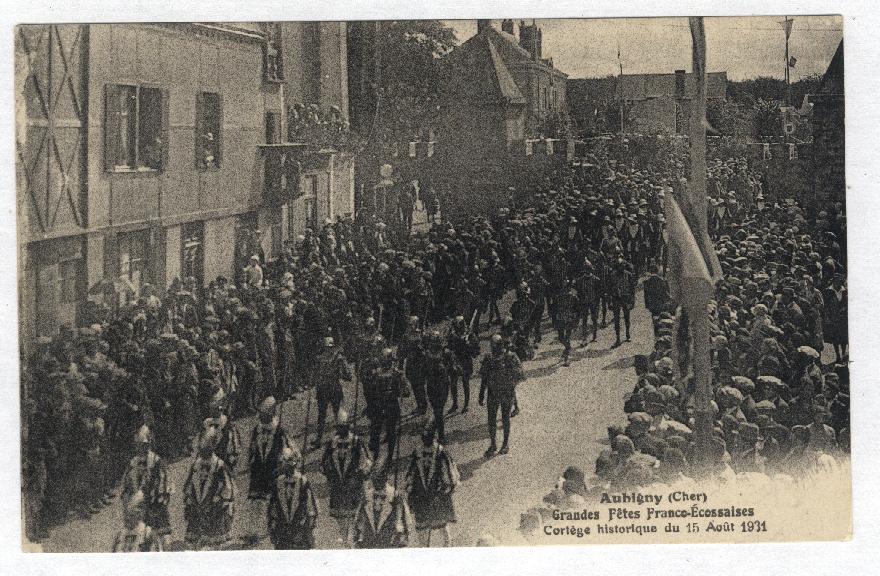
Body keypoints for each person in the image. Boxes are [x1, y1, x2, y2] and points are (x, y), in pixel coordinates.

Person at [321, 410, 372, 544]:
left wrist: (362, 471)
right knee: (341, 513)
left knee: (355, 511)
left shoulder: (356, 441)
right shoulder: (332, 442)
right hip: (338, 482)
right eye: (339, 427)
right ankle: (343, 534)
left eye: (343, 427)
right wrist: (328, 471)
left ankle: (353, 534)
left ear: (348, 427)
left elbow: (365, 460)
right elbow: (324, 461)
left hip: (353, 482)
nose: (341, 430)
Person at [405, 428, 460, 547]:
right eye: (424, 437)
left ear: (433, 437)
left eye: (428, 437)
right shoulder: (417, 452)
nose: (426, 439)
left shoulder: (440, 452)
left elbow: (449, 473)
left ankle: (447, 546)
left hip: (436, 494)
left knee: (441, 524)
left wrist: (446, 487)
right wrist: (410, 487)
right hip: (421, 495)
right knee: (423, 527)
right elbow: (411, 472)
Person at [119, 425, 172, 546]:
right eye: (139, 445)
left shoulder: (156, 461)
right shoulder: (133, 462)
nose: (141, 448)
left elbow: (163, 486)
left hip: (155, 510)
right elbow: (126, 486)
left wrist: (150, 499)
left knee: (164, 542)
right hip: (137, 513)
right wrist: (128, 501)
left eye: (144, 445)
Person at [183, 429, 235, 550]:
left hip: (214, 510)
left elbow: (228, 488)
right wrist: (189, 500)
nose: (204, 448)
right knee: (195, 545)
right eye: (202, 446)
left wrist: (221, 502)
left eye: (207, 446)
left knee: (214, 545)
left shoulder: (219, 465)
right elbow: (189, 484)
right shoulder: (196, 464)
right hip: (197, 509)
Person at [479, 335, 524, 456]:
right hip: (493, 393)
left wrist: (510, 384)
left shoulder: (510, 357)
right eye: (493, 346)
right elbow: (484, 377)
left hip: (506, 393)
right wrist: (481, 393)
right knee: (491, 420)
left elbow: (520, 374)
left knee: (505, 418)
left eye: (497, 346)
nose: (495, 349)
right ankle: (493, 444)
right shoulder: (488, 358)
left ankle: (505, 443)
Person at [267, 447, 318, 550]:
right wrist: (272, 526)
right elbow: (273, 506)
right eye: (284, 461)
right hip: (282, 530)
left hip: (299, 529)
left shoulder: (303, 481)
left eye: (289, 461)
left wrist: (309, 527)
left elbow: (310, 507)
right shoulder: (278, 482)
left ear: (295, 463)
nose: (285, 464)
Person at [353, 468, 416, 548]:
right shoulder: (366, 498)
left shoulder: (396, 499)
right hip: (368, 546)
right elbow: (359, 524)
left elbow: (404, 525)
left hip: (389, 546)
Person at [366, 348, 407, 461]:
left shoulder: (377, 373)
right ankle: (388, 455)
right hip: (390, 405)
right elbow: (406, 392)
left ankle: (378, 455)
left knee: (377, 430)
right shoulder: (395, 373)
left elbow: (369, 390)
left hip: (380, 405)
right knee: (390, 430)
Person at [311, 337, 352, 448]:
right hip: (330, 388)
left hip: (326, 388)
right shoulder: (337, 358)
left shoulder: (320, 358)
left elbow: (347, 375)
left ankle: (324, 439)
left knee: (328, 414)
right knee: (332, 414)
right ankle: (334, 437)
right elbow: (348, 375)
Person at [422, 330, 460, 442]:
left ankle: (441, 436)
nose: (434, 344)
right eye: (432, 342)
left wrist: (453, 369)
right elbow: (423, 369)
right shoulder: (426, 354)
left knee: (438, 411)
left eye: (436, 341)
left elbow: (454, 367)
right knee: (436, 410)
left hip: (442, 384)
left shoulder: (446, 353)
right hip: (431, 385)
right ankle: (436, 432)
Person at [445, 315, 481, 414]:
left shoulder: (469, 335)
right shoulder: (452, 335)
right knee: (453, 384)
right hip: (455, 360)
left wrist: (468, 343)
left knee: (465, 383)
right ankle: (455, 404)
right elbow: (448, 346)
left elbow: (476, 351)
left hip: (465, 361)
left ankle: (466, 404)